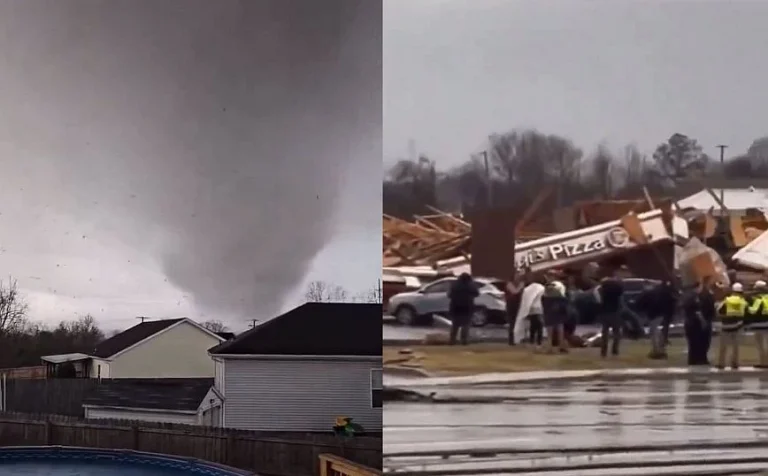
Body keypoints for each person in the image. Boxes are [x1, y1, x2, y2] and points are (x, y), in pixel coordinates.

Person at [716, 282, 748, 369]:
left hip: (725, 326)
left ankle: (721, 363)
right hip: (737, 326)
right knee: (735, 346)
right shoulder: (742, 301)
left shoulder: (726, 300)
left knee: (723, 346)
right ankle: (735, 363)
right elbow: (746, 313)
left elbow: (718, 311)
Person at [683, 277, 715, 366]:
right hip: (696, 323)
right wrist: (704, 321)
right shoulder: (696, 296)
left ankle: (697, 359)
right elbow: (697, 310)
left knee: (697, 343)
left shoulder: (690, 295)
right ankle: (699, 360)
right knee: (699, 342)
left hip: (692, 322)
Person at [513, 274, 545, 347]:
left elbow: (525, 300)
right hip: (538, 308)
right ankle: (539, 342)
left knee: (533, 326)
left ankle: (532, 341)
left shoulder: (528, 289)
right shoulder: (541, 288)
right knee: (539, 326)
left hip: (531, 309)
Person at [447, 272, 479, 345]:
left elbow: (449, 295)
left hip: (455, 306)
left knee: (455, 325)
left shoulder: (455, 285)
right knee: (466, 324)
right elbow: (477, 294)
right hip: (467, 306)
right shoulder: (471, 285)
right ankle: (464, 340)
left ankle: (452, 340)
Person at [598, 269, 624, 357]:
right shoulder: (617, 286)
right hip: (615, 311)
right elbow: (621, 295)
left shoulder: (604, 285)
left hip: (604, 311)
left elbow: (599, 294)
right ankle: (615, 350)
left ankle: (603, 351)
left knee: (605, 332)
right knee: (616, 332)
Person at [542, 280, 569, 354]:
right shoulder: (561, 298)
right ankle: (561, 347)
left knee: (550, 335)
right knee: (560, 334)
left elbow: (545, 308)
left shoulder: (545, 298)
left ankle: (550, 348)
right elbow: (565, 308)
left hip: (550, 317)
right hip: (558, 317)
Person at [748, 280, 768, 367]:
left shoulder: (755, 299)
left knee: (760, 346)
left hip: (757, 325)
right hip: (767, 324)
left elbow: (752, 311)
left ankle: (763, 362)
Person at [505, 275, 525, 345]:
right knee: (512, 323)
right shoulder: (509, 283)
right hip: (511, 306)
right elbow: (515, 292)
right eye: (517, 276)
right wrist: (520, 286)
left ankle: (517, 339)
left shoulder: (519, 283)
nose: (518, 278)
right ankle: (511, 340)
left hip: (518, 305)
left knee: (518, 323)